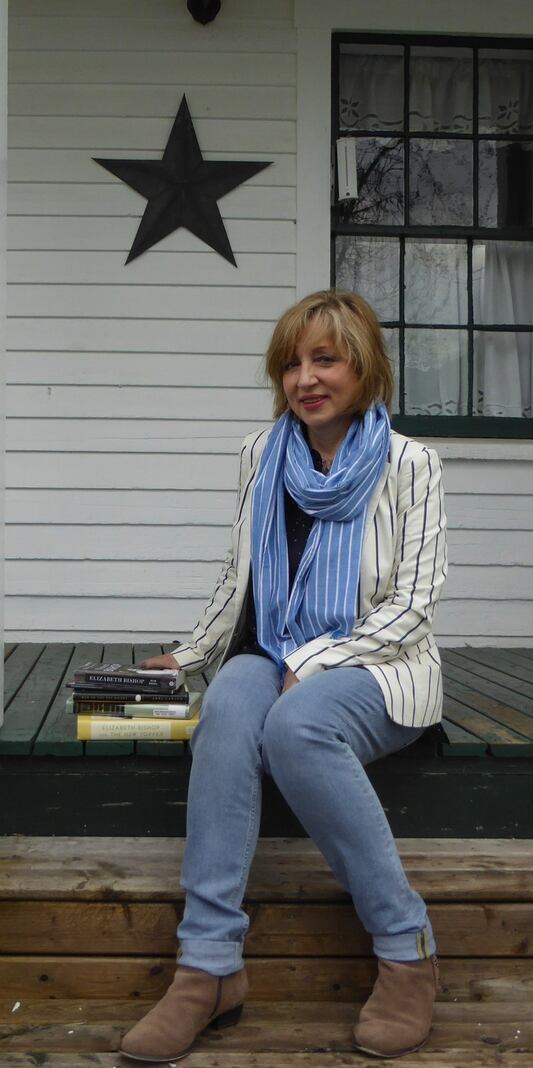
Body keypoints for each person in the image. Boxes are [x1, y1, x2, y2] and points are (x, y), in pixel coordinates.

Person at [119, 290, 448, 1063]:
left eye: (325, 359)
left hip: (380, 663)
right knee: (231, 709)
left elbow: (415, 604)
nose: (305, 378)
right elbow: (240, 578)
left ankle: (407, 949)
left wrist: (318, 661)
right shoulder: (260, 455)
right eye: (292, 363)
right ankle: (208, 967)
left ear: (363, 368)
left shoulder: (411, 465)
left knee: (297, 727)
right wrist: (191, 653)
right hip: (272, 650)